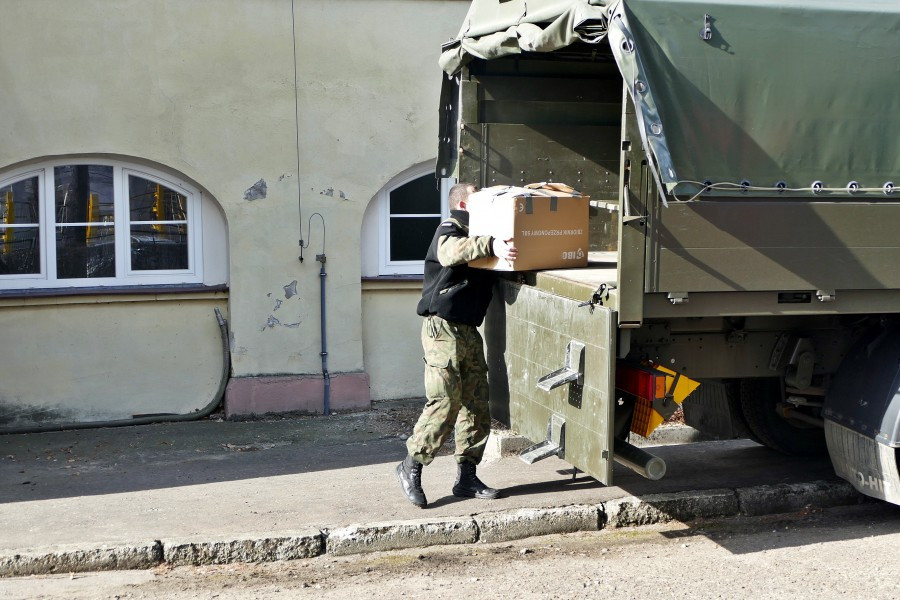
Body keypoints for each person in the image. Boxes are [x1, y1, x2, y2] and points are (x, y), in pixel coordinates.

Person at [396, 182, 517, 508]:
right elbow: (450, 252)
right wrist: (491, 243)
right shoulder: (451, 228)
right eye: (477, 195)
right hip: (442, 329)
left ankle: (467, 477)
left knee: (477, 405)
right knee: (445, 401)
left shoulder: (489, 234)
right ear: (464, 202)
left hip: (467, 331)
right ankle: (411, 465)